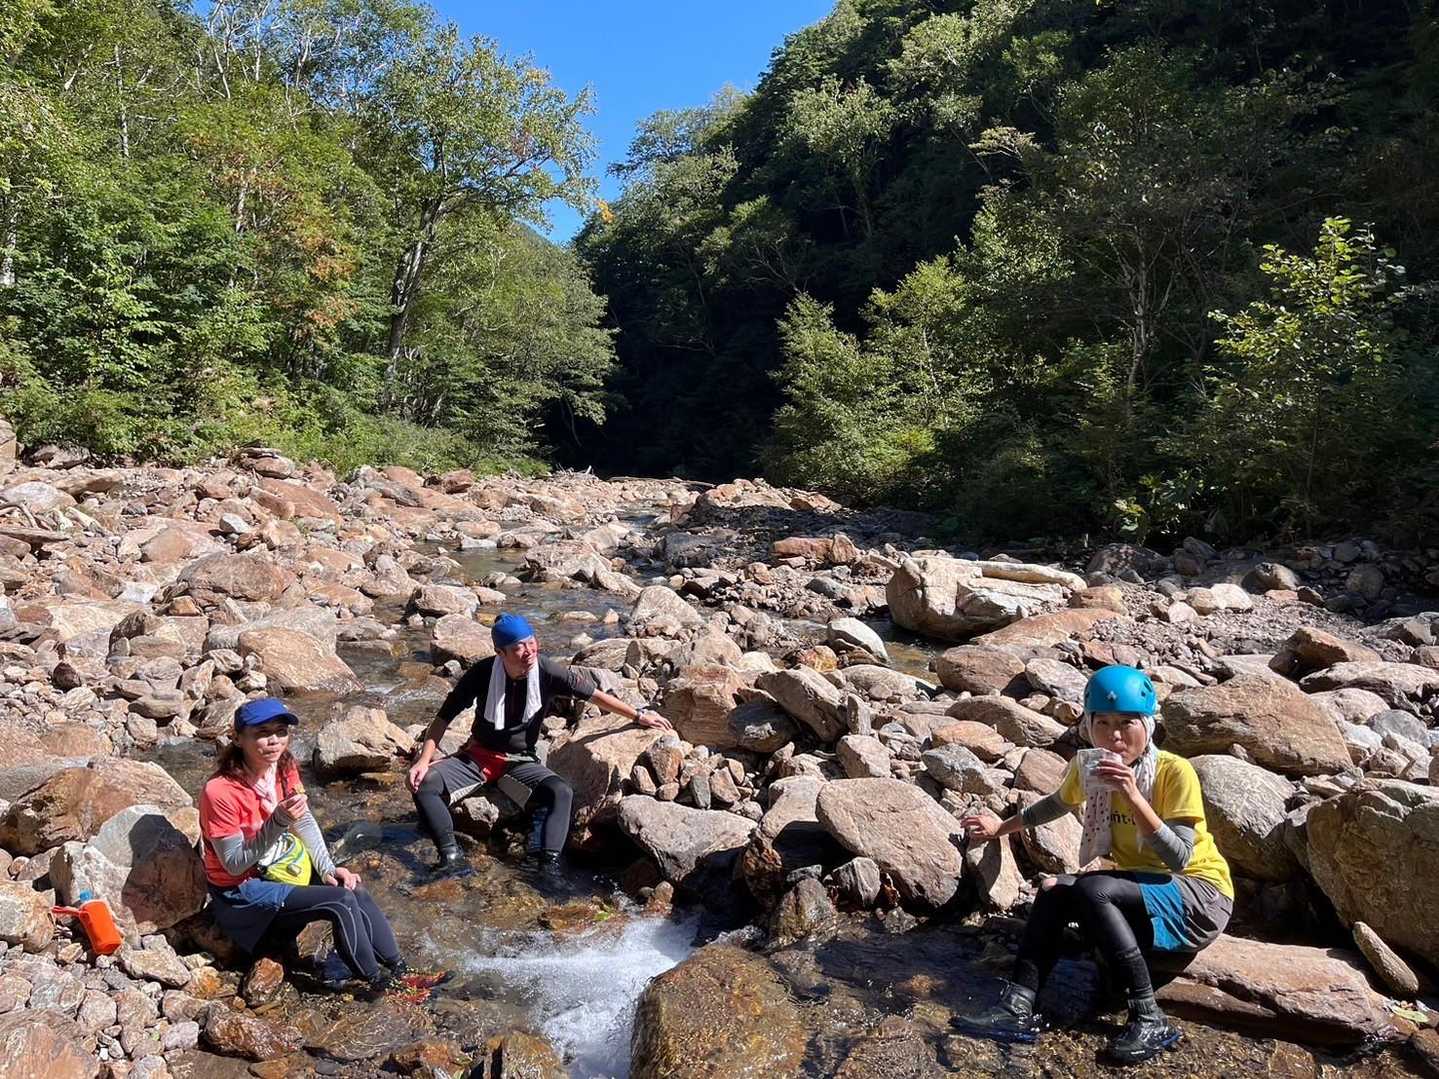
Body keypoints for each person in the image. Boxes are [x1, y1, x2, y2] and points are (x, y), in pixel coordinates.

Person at [954, 665, 1233, 1065]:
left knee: (1093, 889)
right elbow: (1056, 804)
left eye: (1126, 723)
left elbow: (1179, 857)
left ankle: (1149, 1017)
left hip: (1200, 895)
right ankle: (1018, 1006)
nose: (1114, 735)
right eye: (1102, 723)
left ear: (1147, 726)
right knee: (1053, 891)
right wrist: (1001, 827)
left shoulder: (1174, 772)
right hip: (1144, 889)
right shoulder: (1090, 768)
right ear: (1088, 725)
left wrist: (1132, 795)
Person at [199, 697, 444, 997]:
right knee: (339, 901)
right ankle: (381, 985)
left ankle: (401, 971)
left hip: (279, 867)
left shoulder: (283, 765)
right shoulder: (220, 791)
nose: (274, 740)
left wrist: (327, 867)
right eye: (262, 733)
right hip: (242, 893)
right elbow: (234, 864)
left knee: (351, 888)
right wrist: (277, 821)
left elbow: (303, 820)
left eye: (280, 731)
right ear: (238, 738)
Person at [409, 612, 673, 876]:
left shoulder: (547, 671)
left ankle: (546, 866)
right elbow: (444, 717)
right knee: (425, 783)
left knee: (560, 792)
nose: (529, 651)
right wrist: (423, 761)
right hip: (478, 756)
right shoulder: (482, 673)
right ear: (500, 652)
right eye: (518, 647)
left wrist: (638, 715)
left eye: (531, 641)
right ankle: (452, 858)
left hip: (519, 761)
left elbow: (594, 695)